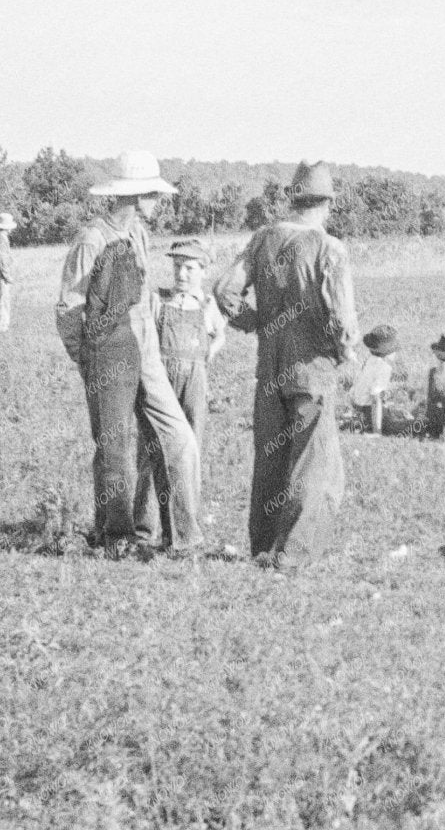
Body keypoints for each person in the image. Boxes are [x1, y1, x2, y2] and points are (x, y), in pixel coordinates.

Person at [55, 150, 202, 555]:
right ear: (136, 196)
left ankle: (182, 537)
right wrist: (86, 360)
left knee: (178, 438)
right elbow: (70, 307)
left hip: (147, 352)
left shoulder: (139, 234)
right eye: (153, 193)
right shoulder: (91, 240)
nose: (159, 200)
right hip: (108, 354)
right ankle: (115, 536)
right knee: (113, 447)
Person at [213, 159, 357, 568]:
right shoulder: (330, 248)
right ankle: (293, 554)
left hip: (270, 367)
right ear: (327, 204)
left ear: (293, 199)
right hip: (312, 369)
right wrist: (344, 351)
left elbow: (224, 290)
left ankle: (263, 545)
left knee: (271, 459)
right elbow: (343, 319)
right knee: (315, 463)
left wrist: (256, 322)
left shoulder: (262, 240)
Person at [139, 236, 230, 546]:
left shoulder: (206, 304)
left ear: (202, 270)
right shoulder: (158, 299)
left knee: (190, 446)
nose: (181, 274)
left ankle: (184, 520)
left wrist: (206, 356)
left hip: (194, 379)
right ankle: (144, 524)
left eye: (189, 268)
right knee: (151, 447)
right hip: (161, 376)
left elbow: (219, 335)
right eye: (177, 267)